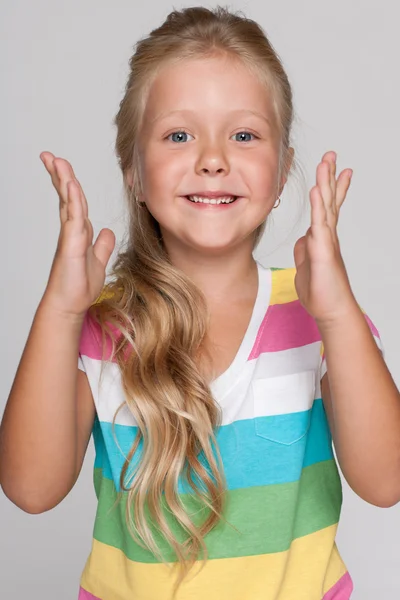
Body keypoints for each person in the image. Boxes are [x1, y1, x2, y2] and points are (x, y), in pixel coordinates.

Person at [1, 5, 400, 600]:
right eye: (179, 135)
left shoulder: (318, 314)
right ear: (133, 169)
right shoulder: (101, 325)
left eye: (243, 135)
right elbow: (32, 491)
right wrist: (60, 311)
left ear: (283, 167)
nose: (213, 159)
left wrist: (338, 314)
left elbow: (385, 482)